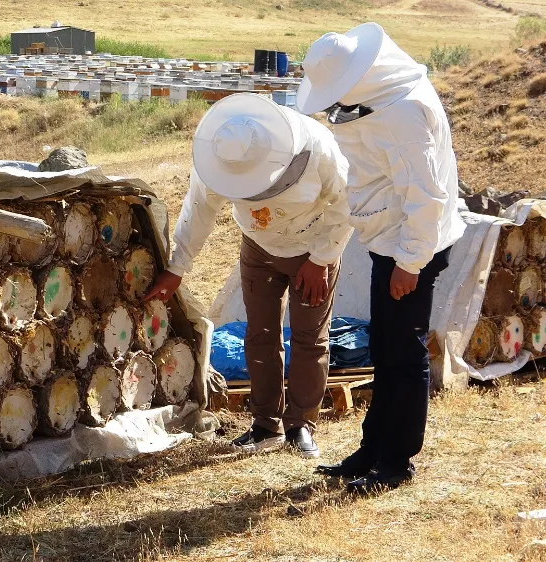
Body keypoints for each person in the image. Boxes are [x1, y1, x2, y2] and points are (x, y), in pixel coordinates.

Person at [296, 23, 465, 493]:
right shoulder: (383, 99)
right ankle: (373, 448)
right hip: (389, 240)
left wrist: (410, 263)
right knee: (386, 349)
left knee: (405, 355)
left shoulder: (406, 111)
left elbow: (426, 196)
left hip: (412, 245)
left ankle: (396, 464)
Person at [145, 92, 352, 459]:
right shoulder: (218, 155)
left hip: (312, 248)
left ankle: (299, 425)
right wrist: (177, 267)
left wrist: (321, 259)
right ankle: (265, 425)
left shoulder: (317, 148)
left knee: (309, 338)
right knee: (260, 335)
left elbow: (348, 203)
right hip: (258, 248)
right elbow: (199, 211)